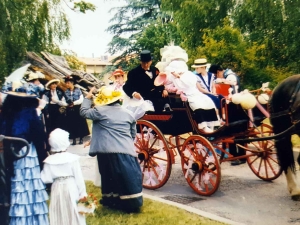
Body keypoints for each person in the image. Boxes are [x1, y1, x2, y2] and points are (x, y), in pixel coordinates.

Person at [80, 86, 143, 213]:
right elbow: (132, 134)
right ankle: (132, 203)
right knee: (128, 177)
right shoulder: (128, 113)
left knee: (109, 176)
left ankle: (111, 200)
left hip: (106, 151)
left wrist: (88, 97)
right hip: (126, 150)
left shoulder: (99, 111)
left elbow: (83, 112)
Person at [0, 83, 49, 224]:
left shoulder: (5, 112)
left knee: (14, 185)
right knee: (27, 186)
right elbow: (39, 137)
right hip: (26, 154)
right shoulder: (30, 113)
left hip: (8, 153)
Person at [156, 60, 220, 133]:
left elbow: (189, 83)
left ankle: (212, 125)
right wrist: (165, 83)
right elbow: (166, 82)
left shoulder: (188, 74)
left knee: (208, 101)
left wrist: (179, 77)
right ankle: (203, 126)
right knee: (197, 105)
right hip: (187, 95)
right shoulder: (172, 77)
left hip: (195, 92)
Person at [41, 128, 87, 225]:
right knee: (73, 208)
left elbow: (46, 178)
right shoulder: (72, 159)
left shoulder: (49, 161)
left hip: (57, 187)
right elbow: (79, 178)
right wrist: (82, 193)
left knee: (59, 209)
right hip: (71, 186)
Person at [208, 64, 246, 165]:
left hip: (232, 106)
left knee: (232, 131)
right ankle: (240, 155)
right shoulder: (230, 74)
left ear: (218, 72)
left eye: (216, 75)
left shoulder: (229, 77)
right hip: (236, 105)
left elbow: (228, 90)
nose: (217, 77)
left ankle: (235, 156)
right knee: (238, 131)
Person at [192, 59, 225, 125]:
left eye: (197, 68)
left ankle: (224, 117)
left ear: (203, 67)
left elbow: (213, 86)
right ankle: (218, 119)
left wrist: (214, 93)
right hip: (203, 94)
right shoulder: (196, 77)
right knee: (214, 99)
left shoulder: (211, 75)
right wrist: (211, 93)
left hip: (211, 93)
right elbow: (200, 89)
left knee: (221, 98)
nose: (196, 69)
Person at [63, 75, 90, 145]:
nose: (67, 84)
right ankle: (74, 139)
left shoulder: (78, 90)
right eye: (66, 83)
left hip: (77, 108)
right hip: (70, 109)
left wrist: (74, 103)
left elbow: (81, 99)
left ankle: (81, 138)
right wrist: (67, 104)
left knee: (79, 123)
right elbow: (63, 100)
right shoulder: (66, 92)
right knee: (71, 124)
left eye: (68, 83)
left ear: (72, 83)